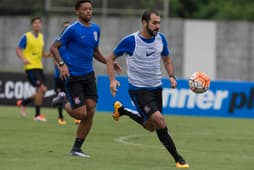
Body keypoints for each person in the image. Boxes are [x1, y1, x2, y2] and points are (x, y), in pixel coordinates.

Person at [106, 9, 189, 168]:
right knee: (159, 120)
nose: (158, 26)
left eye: (159, 22)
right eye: (154, 23)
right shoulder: (131, 41)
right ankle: (178, 159)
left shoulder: (161, 39)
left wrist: (171, 76)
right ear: (144, 23)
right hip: (139, 89)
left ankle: (122, 110)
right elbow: (110, 58)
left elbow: (167, 59)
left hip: (156, 88)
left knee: (150, 126)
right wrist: (112, 80)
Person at [50, 0, 121, 157]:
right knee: (81, 113)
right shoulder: (71, 29)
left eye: (90, 9)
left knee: (91, 111)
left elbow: (95, 52)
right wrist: (62, 64)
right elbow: (53, 47)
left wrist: (110, 62)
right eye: (84, 9)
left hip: (89, 76)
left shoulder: (96, 29)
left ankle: (76, 148)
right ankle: (63, 101)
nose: (88, 11)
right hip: (73, 76)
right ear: (77, 12)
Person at [16, 16, 51, 122]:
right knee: (41, 89)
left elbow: (41, 53)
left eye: (39, 23)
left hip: (39, 67)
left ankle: (23, 103)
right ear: (32, 25)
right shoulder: (26, 36)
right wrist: (23, 58)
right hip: (30, 67)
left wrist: (50, 54)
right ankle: (37, 115)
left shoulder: (41, 37)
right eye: (35, 23)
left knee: (43, 91)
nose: (37, 25)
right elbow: (18, 49)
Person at [52, 21, 81, 125]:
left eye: (69, 27)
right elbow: (54, 56)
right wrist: (60, 68)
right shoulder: (59, 42)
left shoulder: (74, 43)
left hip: (72, 74)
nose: (67, 29)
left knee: (73, 96)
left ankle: (76, 116)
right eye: (65, 27)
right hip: (60, 74)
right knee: (61, 95)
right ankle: (60, 117)